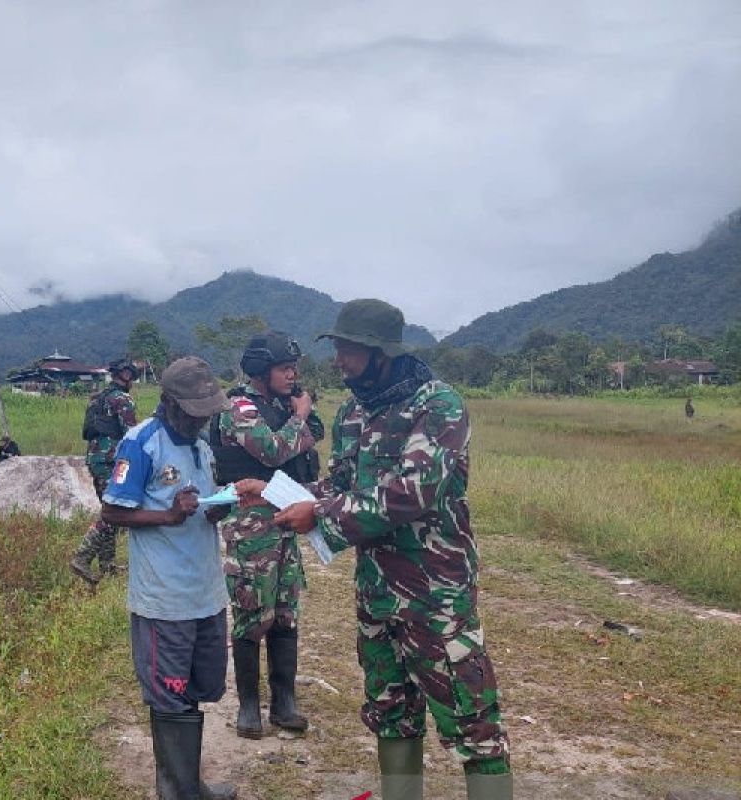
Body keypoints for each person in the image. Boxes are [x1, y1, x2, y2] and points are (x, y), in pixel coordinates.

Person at [237, 299, 512, 800]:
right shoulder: (352, 413)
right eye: (338, 348)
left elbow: (412, 493)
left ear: (380, 352)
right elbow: (338, 483)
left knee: (473, 724)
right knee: (391, 712)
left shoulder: (437, 405)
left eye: (348, 350)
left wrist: (319, 514)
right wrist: (275, 490)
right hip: (377, 593)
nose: (339, 359)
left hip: (436, 595)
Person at [100, 356, 236, 800]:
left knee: (194, 692)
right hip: (164, 599)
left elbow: (204, 502)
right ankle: (177, 792)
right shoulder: (141, 442)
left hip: (206, 593)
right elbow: (113, 509)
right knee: (169, 696)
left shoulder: (202, 445)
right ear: (171, 402)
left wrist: (218, 508)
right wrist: (169, 515)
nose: (202, 419)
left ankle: (189, 784)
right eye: (195, 410)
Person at [209, 331, 324, 739]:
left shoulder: (279, 406)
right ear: (260, 370)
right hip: (251, 522)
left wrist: (298, 418)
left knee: (285, 609)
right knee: (251, 611)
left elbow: (307, 447)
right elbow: (275, 451)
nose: (293, 374)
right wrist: (301, 416)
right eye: (284, 367)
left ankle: (284, 701)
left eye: (294, 367)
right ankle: (248, 707)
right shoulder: (237, 407)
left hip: (286, 517)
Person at [70, 358, 139, 585]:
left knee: (109, 507)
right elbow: (131, 434)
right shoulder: (122, 399)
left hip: (95, 458)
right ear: (126, 376)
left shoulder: (96, 399)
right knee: (115, 510)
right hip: (112, 461)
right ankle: (82, 556)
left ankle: (107, 565)